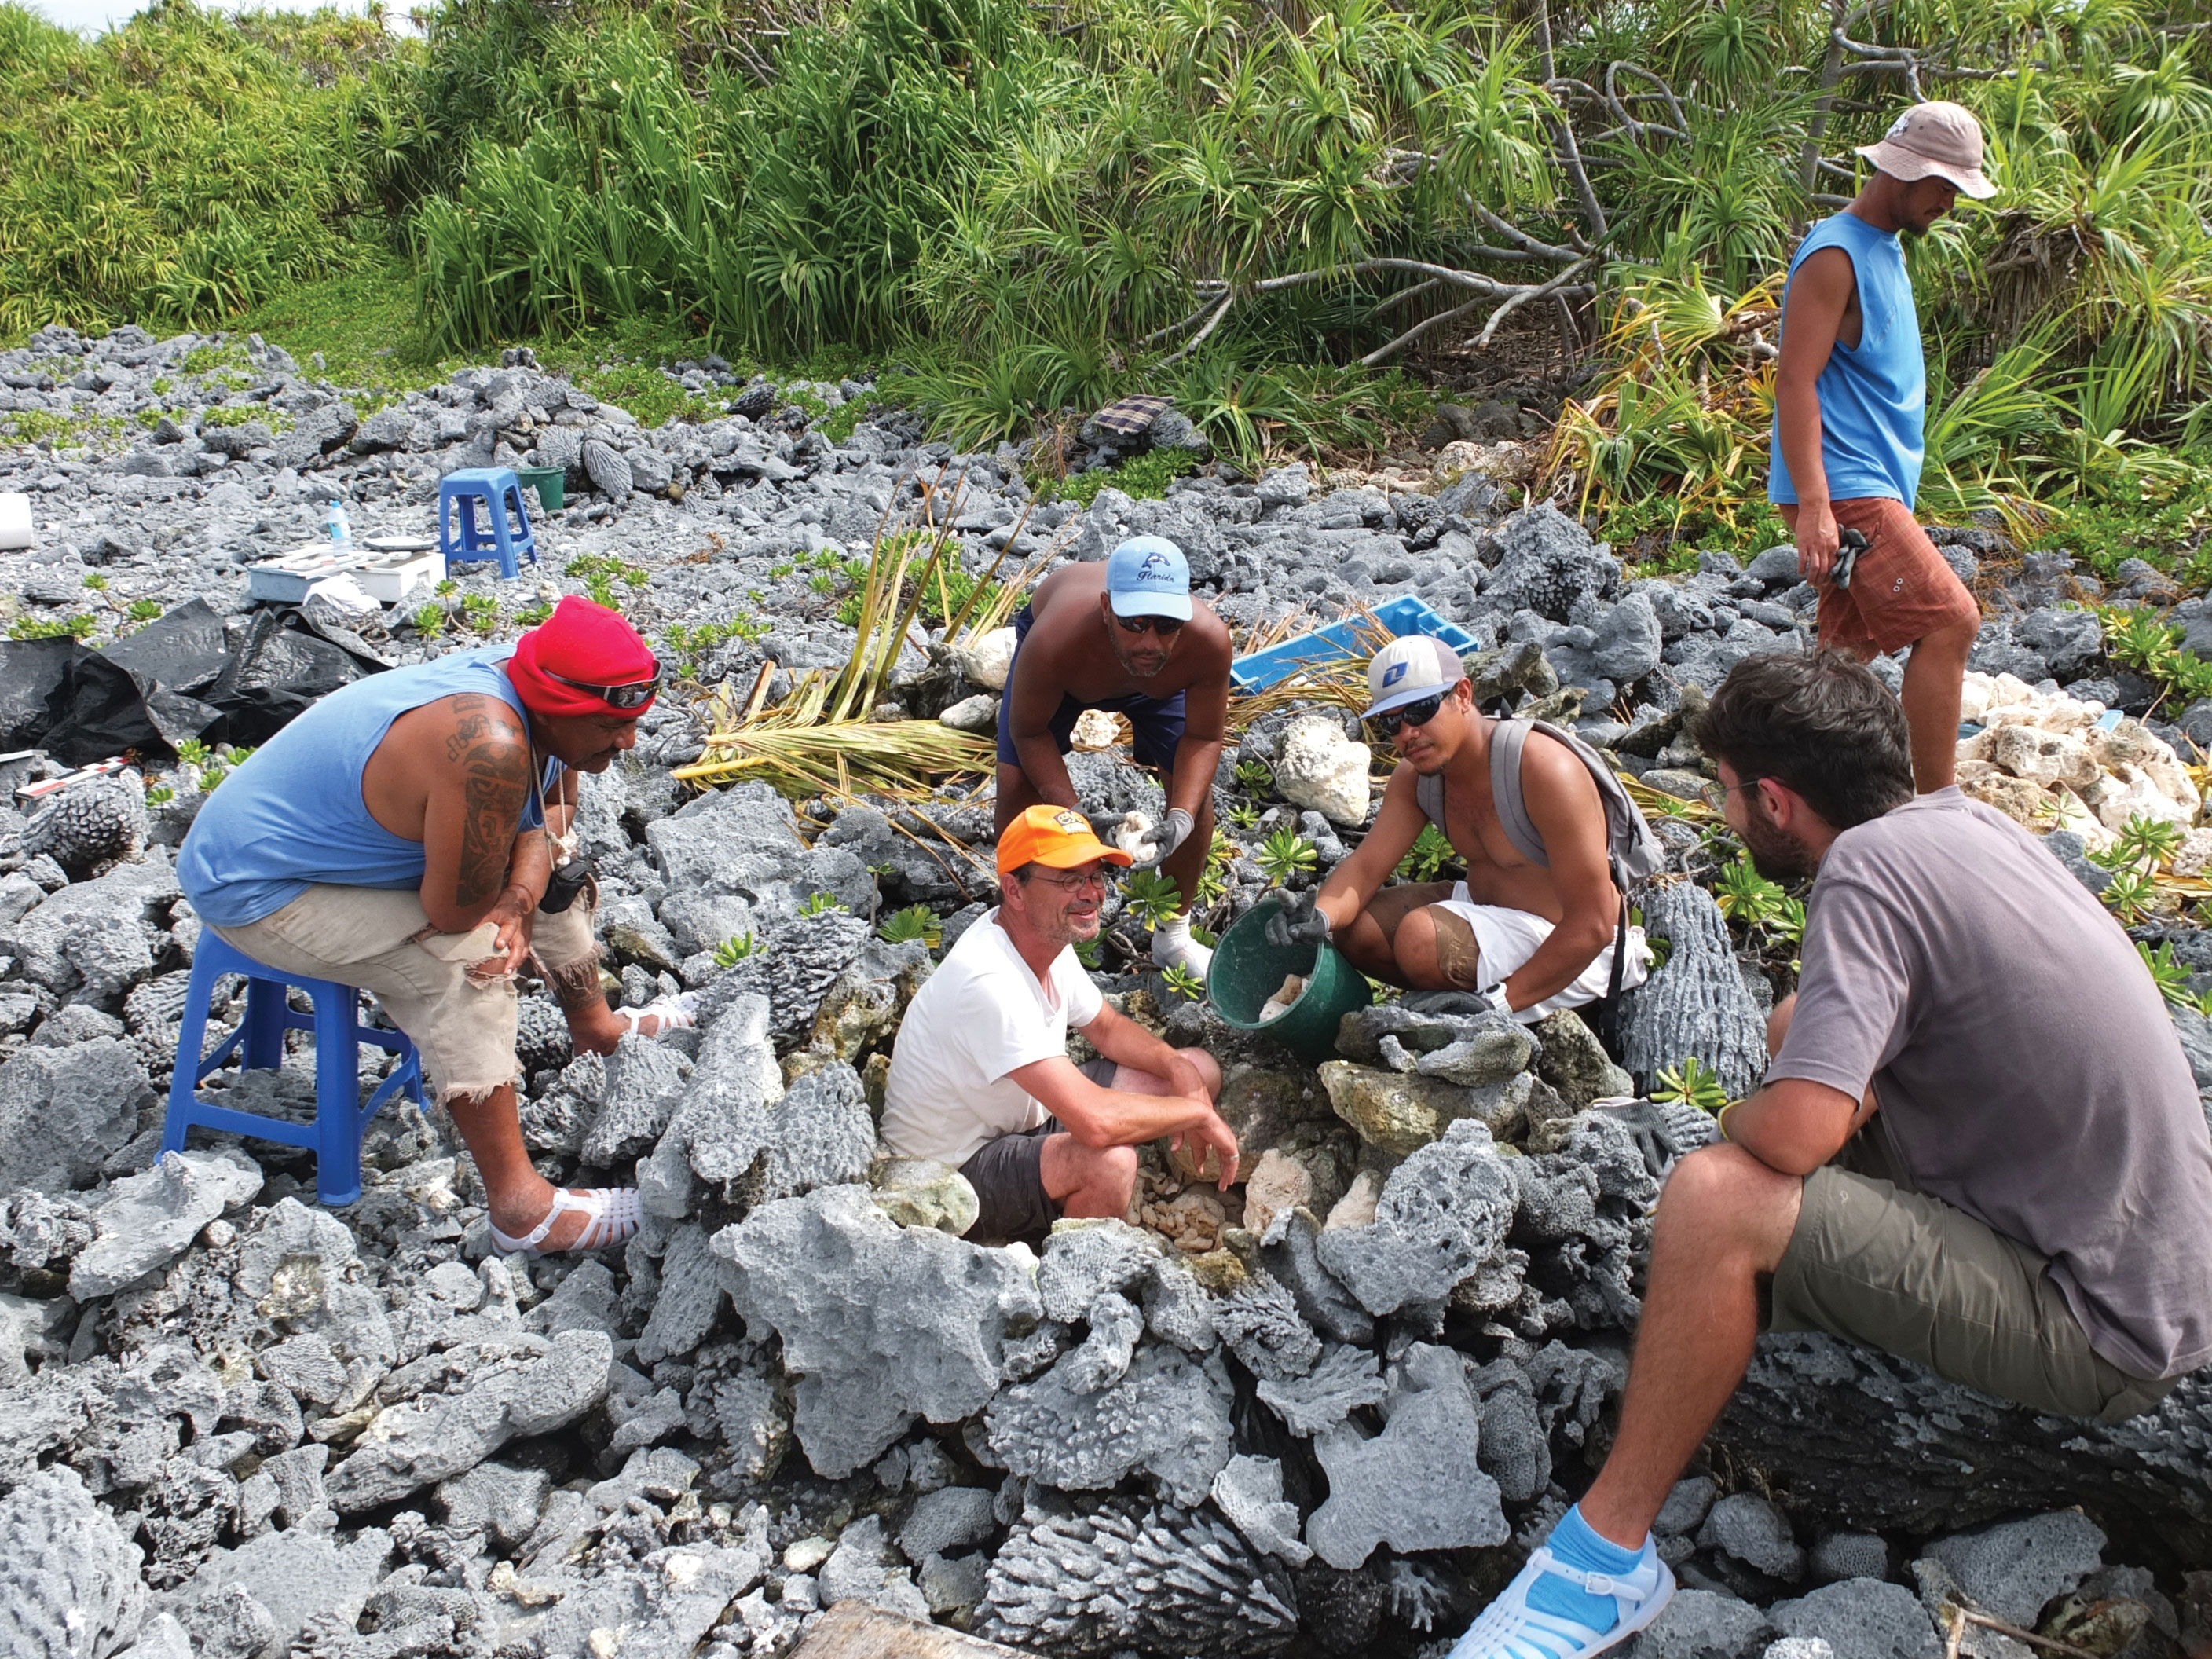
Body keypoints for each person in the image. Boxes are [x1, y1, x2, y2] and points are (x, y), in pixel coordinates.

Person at [1448, 649, 2212, 1659]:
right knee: (1792, 1027)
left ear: (1773, 799)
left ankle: (1599, 1565)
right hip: (2142, 1251)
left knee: (1718, 1195)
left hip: (2103, 1324)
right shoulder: (1956, 819)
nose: (1723, 817)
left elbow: (1798, 1131)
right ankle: (1756, 1296)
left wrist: (1732, 1129)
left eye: (1724, 794)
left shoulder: (1858, 869)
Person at [178, 596, 692, 1257]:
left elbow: (556, 806)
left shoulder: (536, 696)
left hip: (330, 854)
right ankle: (522, 1210)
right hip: (259, 885)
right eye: (608, 727)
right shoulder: (490, 744)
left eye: (633, 724)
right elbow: (454, 913)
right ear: (559, 710)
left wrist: (527, 878)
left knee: (552, 880)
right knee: (468, 957)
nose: (626, 743)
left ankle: (597, 1031)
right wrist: (518, 880)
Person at [880, 804, 1239, 1243]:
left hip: (1025, 1116)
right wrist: (1196, 1112)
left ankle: (1075, 1197)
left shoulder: (1043, 935)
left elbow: (1105, 1027)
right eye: (1069, 879)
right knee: (1110, 1163)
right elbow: (1095, 1123)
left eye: (1094, 876)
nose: (1091, 893)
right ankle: (1058, 1273)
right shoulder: (988, 983)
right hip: (950, 1174)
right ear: (1014, 889)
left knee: (1198, 1069)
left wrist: (1177, 1069)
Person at [1771, 100, 1995, 794]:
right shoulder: (1836, 255)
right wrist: (1814, 506)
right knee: (1952, 623)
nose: (1951, 204)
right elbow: (1794, 383)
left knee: (1845, 658)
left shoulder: (1884, 247)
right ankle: (1935, 808)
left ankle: (1814, 797)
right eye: (1945, 187)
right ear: (1906, 172)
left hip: (1870, 484)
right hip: (1846, 487)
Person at [1269, 635, 1649, 1020]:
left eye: (1419, 710)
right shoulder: (1419, 777)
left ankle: (1497, 1011)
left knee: (1420, 938)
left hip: (1574, 948)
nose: (1406, 734)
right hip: (1489, 913)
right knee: (1357, 929)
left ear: (1463, 694)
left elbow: (1595, 923)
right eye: (1390, 722)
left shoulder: (1543, 769)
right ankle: (1447, 1011)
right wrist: (1321, 918)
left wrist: (1496, 1004)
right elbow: (1366, 867)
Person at [995, 535, 1231, 977]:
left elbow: (1203, 737)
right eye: (1134, 622)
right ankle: (1017, 927)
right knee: (1015, 789)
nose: (1151, 641)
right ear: (1107, 607)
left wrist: (1180, 819)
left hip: (1158, 687)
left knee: (1196, 800)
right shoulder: (1056, 639)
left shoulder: (1207, 642)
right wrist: (1075, 812)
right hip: (1071, 677)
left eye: (1166, 625)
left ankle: (1173, 935)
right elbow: (1028, 732)